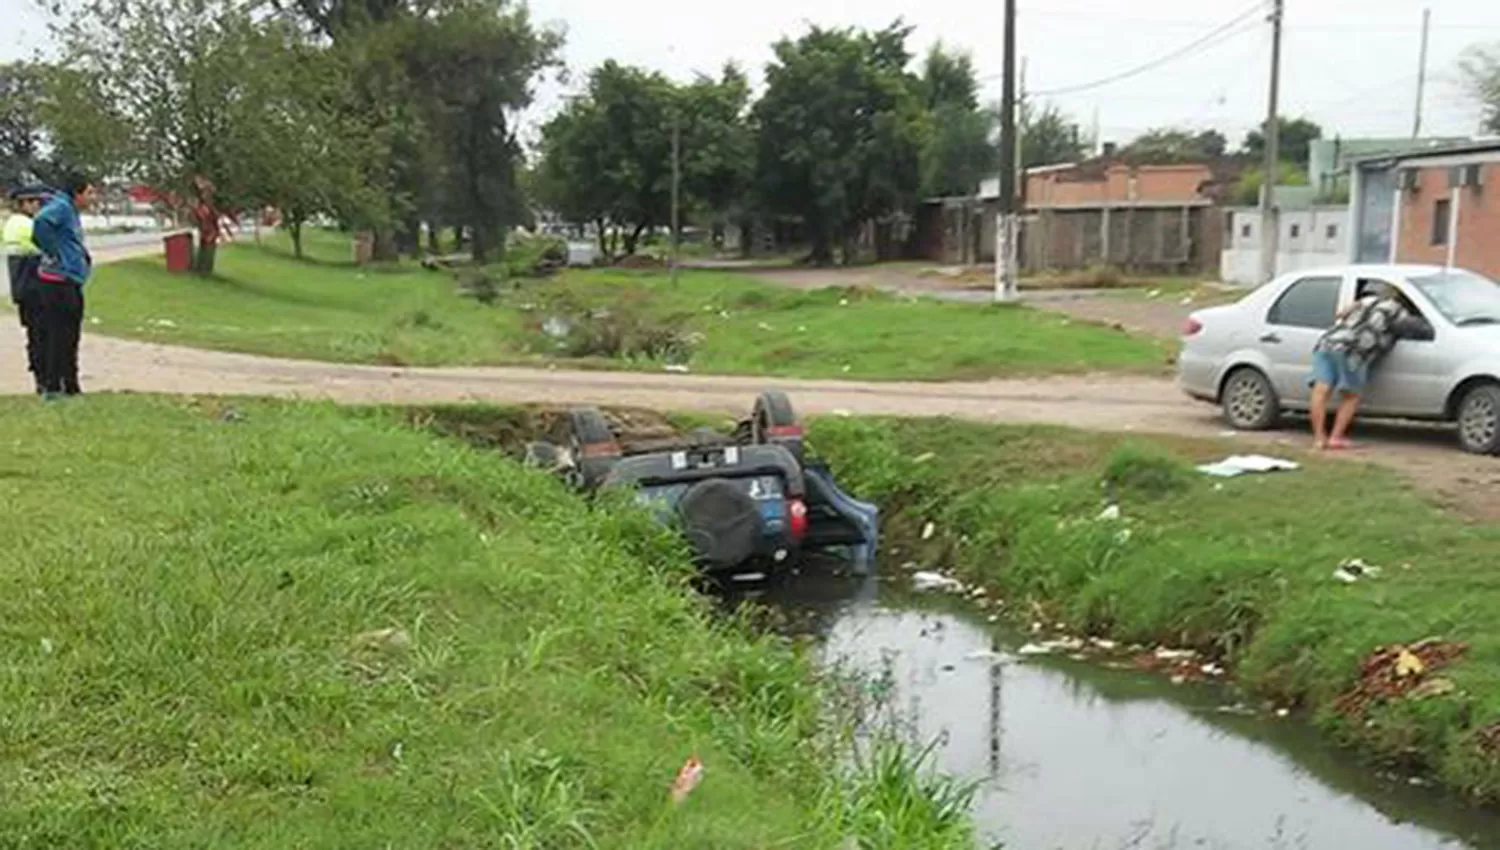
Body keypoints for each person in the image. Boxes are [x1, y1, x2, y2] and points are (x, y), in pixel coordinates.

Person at [1308, 281, 1424, 451]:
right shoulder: (1399, 312)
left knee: (1320, 392)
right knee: (1351, 396)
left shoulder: (1367, 300)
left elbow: (1340, 313)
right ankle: (1336, 437)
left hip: (1327, 343)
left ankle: (1319, 438)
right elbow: (1411, 328)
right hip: (1354, 351)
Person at [31, 172, 97, 399]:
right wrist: (54, 253)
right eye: (89, 193)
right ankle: (53, 386)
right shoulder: (61, 207)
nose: (92, 198)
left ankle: (69, 384)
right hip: (58, 283)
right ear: (76, 193)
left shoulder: (70, 211)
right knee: (60, 335)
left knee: (70, 335)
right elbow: (41, 222)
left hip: (70, 280)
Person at [3, 184, 50, 393]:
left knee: (34, 335)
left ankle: (40, 377)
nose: (36, 205)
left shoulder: (11, 223)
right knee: (42, 335)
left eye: (38, 202)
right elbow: (46, 247)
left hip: (22, 287)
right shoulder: (26, 225)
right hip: (34, 286)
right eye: (32, 202)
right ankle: (44, 378)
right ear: (21, 204)